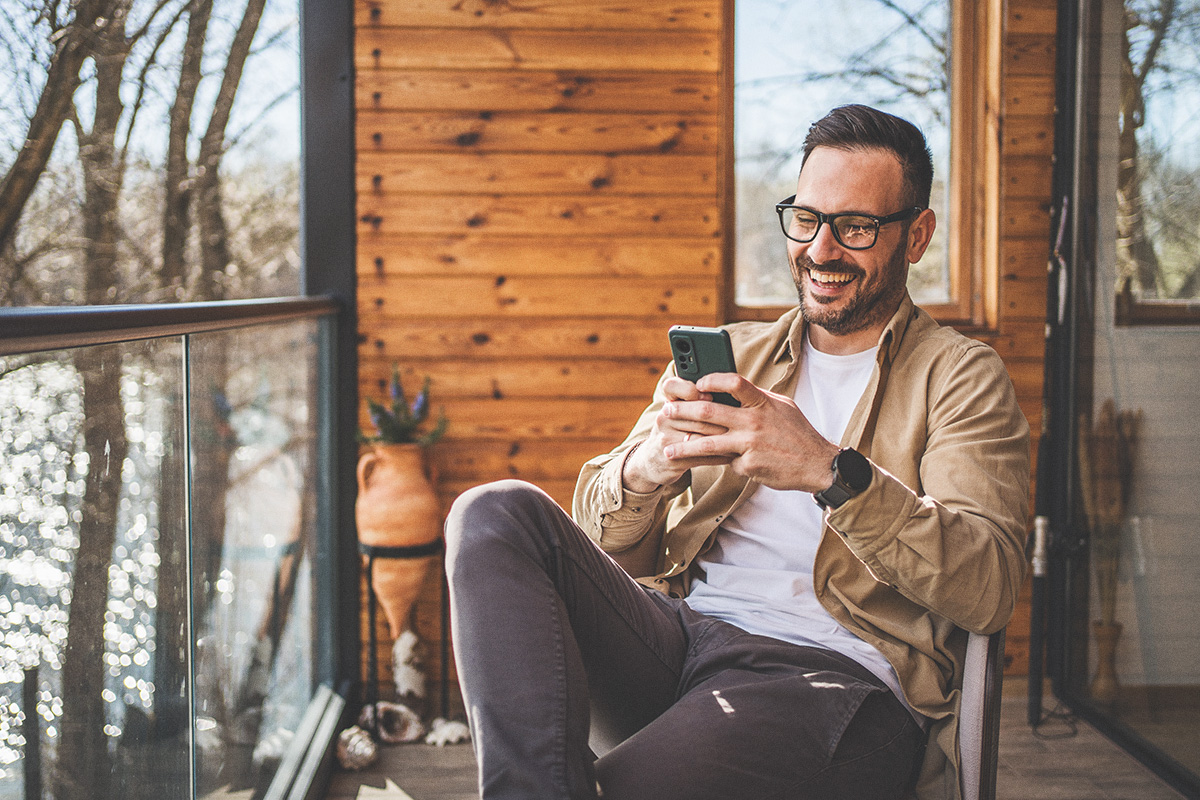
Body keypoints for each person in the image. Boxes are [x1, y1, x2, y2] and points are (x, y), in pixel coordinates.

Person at [444, 104, 1030, 800]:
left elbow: (990, 586)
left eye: (856, 227)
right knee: (492, 513)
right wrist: (649, 466)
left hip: (830, 679)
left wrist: (829, 471)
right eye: (807, 219)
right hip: (678, 634)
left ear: (916, 235)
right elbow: (599, 545)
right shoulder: (734, 356)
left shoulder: (961, 377)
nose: (820, 250)